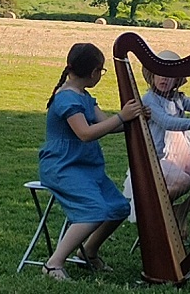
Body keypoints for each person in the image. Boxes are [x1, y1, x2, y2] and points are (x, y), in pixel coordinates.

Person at [38, 43, 145, 281]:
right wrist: (122, 116)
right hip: (62, 167)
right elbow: (85, 133)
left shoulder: (85, 97)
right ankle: (53, 264)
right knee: (94, 211)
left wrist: (133, 118)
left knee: (118, 208)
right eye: (102, 71)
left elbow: (107, 125)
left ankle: (88, 251)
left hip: (86, 168)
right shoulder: (66, 99)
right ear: (94, 72)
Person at [138, 50, 190, 230]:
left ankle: (181, 210)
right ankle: (155, 213)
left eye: (170, 75)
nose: (164, 79)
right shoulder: (150, 99)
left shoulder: (178, 98)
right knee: (183, 182)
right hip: (161, 159)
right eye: (160, 74)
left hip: (183, 157)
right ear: (151, 75)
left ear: (177, 80)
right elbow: (168, 122)